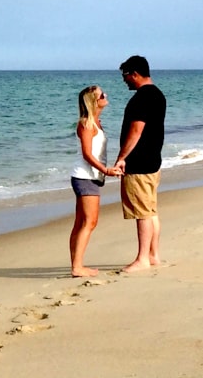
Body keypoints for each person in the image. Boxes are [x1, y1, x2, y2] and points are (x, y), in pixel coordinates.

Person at [113, 55, 166, 273]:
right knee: (150, 210)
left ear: (135, 73)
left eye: (125, 76)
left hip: (140, 163)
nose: (124, 80)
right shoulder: (158, 95)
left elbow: (136, 130)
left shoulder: (142, 98)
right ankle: (153, 255)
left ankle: (143, 258)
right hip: (153, 161)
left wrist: (121, 158)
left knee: (143, 212)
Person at [69, 85, 121, 277]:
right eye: (102, 95)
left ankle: (76, 265)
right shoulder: (86, 123)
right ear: (93, 100)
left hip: (89, 177)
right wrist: (105, 170)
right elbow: (87, 154)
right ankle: (77, 267)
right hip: (85, 177)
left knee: (81, 222)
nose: (106, 95)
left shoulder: (96, 122)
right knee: (89, 222)